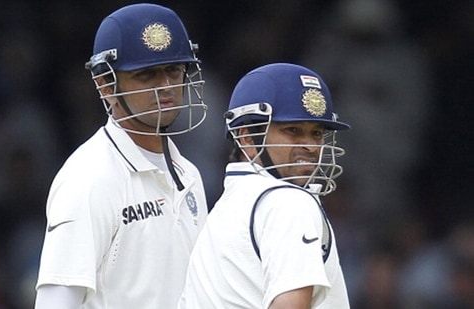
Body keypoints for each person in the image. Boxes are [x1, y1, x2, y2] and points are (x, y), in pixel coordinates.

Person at [34, 3, 209, 308]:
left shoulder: (188, 175)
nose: (166, 86)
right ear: (106, 85)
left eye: (173, 70)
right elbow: (55, 303)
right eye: (147, 75)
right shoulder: (88, 179)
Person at [179, 63, 351, 308]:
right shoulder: (290, 202)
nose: (312, 147)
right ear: (247, 136)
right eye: (293, 131)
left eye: (316, 133)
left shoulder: (225, 208)